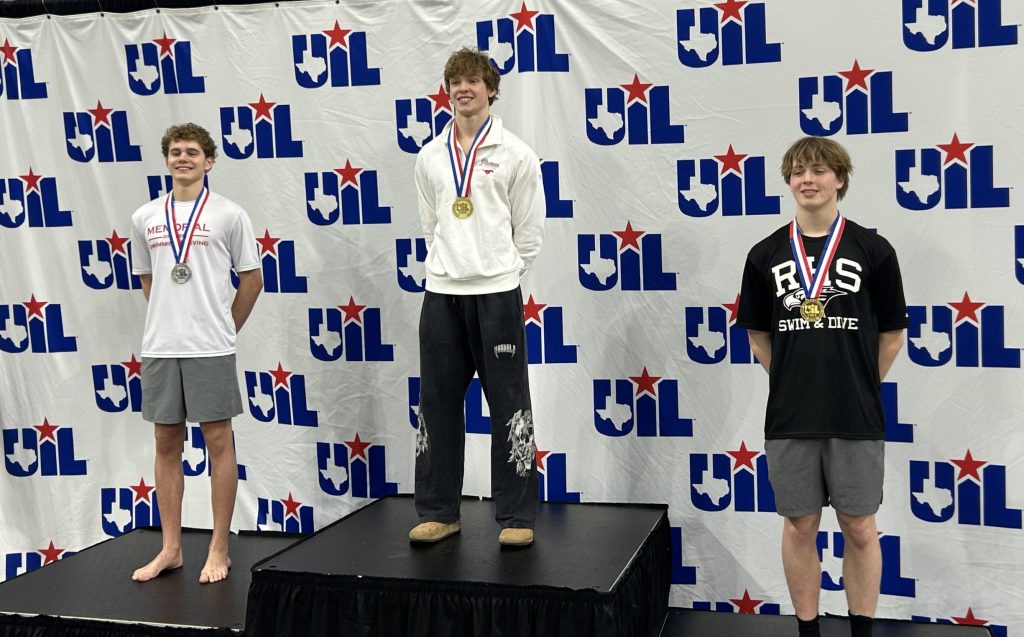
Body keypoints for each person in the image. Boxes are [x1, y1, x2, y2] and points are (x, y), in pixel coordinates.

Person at [737, 137, 907, 637]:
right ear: (789, 182)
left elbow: (893, 336)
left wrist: (855, 381)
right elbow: (758, 335)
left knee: (860, 527)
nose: (807, 179)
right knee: (799, 526)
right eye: (797, 172)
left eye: (818, 170)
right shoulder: (764, 253)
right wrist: (794, 380)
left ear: (839, 179)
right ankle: (807, 631)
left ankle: (861, 630)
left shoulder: (873, 249)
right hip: (791, 416)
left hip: (855, 415)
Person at [410, 47, 544, 547]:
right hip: (441, 293)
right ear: (447, 90)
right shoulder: (430, 156)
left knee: (510, 405)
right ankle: (440, 511)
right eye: (455, 81)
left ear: (490, 88)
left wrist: (498, 273)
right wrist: (455, 267)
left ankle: (516, 516)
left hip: (497, 296)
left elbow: (529, 233)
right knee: (437, 404)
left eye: (473, 80)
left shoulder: (516, 153)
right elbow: (431, 224)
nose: (464, 88)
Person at [128, 123, 262, 583]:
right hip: (161, 346)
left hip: (211, 347)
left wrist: (223, 328)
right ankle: (171, 549)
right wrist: (173, 320)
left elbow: (252, 279)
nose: (182, 158)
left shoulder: (229, 214)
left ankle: (219, 549)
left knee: (218, 442)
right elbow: (149, 281)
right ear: (166, 160)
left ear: (209, 161)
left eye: (192, 152)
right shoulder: (145, 217)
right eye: (174, 151)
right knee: (166, 444)